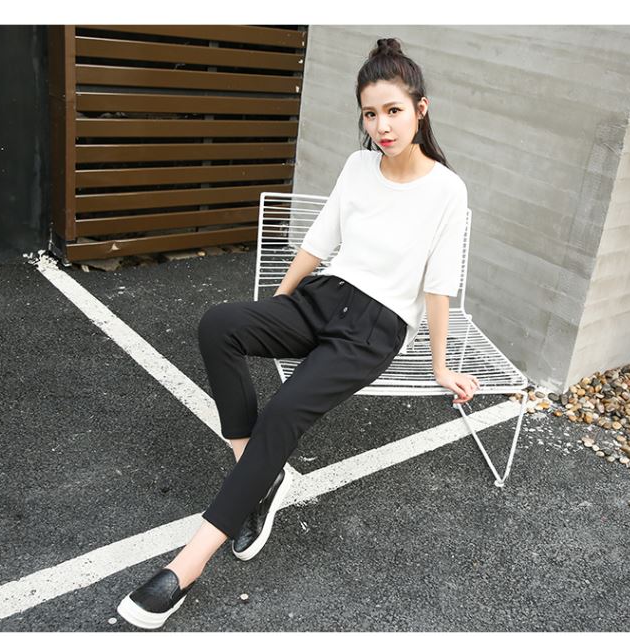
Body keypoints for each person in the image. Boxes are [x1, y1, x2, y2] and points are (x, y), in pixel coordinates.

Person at [117, 36, 481, 630]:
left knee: (284, 410)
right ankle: (259, 474)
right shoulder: (359, 166)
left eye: (393, 110)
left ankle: (185, 568)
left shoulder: (446, 189)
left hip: (376, 327)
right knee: (220, 324)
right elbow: (320, 239)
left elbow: (439, 286)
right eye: (370, 113)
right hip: (323, 297)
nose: (382, 126)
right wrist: (279, 306)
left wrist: (440, 366)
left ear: (421, 108)